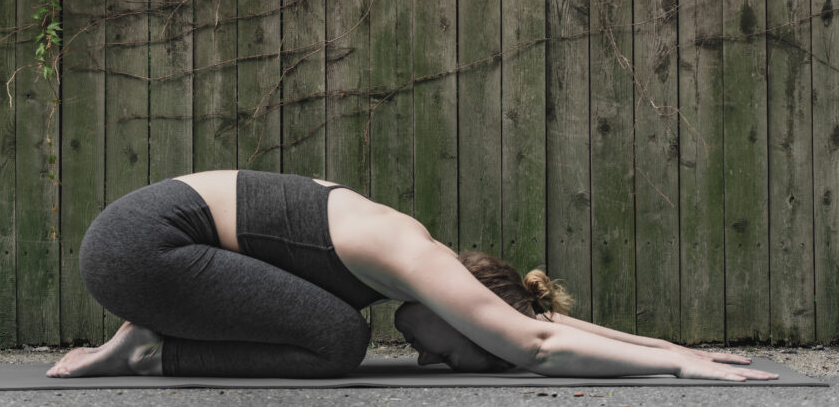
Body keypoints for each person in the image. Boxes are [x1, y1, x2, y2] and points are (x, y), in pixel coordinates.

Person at [47, 169, 776, 381]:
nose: (439, 357)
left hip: (146, 246)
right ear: (464, 309)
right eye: (461, 350)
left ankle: (148, 339)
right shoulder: (412, 256)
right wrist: (677, 374)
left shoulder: (409, 251)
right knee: (337, 339)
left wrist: (670, 346)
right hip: (139, 248)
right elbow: (536, 345)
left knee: (332, 324)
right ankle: (151, 350)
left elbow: (539, 323)